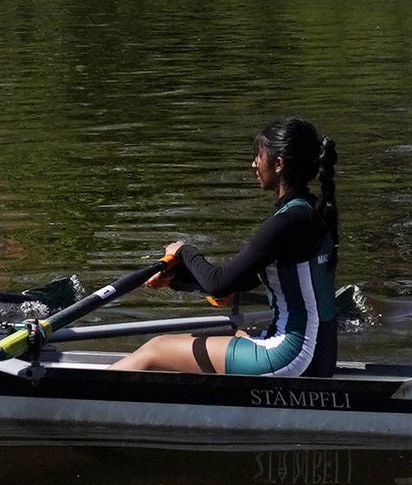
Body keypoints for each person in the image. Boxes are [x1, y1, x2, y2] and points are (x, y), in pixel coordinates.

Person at [112, 116, 339, 377]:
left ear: (278, 164)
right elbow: (241, 281)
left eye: (258, 156)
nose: (253, 164)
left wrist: (185, 251)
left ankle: (81, 395)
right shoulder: (314, 212)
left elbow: (218, 284)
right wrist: (177, 278)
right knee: (209, 337)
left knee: (156, 348)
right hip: (320, 356)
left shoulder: (287, 221)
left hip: (293, 357)